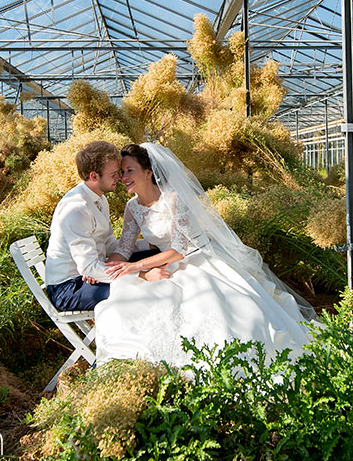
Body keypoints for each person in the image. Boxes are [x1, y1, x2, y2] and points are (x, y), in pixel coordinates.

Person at [95, 142, 317, 368]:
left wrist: (135, 267)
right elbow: (124, 248)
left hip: (195, 258)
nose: (123, 177)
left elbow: (180, 249)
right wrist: (99, 269)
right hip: (165, 264)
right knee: (135, 301)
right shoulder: (132, 207)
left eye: (129, 171)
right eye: (121, 173)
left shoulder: (172, 198)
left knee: (209, 309)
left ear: (148, 172)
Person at [44, 140, 168, 312]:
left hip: (95, 271)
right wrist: (142, 275)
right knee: (142, 287)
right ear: (94, 177)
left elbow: (111, 245)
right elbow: (88, 267)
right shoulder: (75, 209)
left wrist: (150, 245)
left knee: (159, 256)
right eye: (113, 174)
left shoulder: (100, 198)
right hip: (71, 287)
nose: (120, 177)